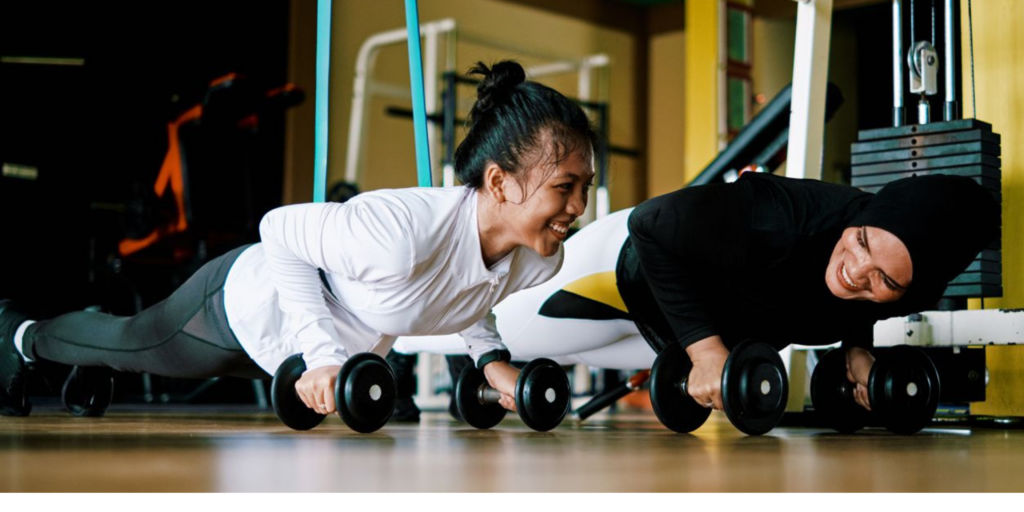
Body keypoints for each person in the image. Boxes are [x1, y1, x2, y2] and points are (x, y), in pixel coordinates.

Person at [0, 60, 597, 418]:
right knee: (128, 342)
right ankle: (19, 336)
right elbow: (278, 230)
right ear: (500, 182)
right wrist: (325, 355)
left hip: (306, 359)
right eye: (565, 187)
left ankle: (93, 352)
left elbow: (465, 290)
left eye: (586, 187)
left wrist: (491, 362)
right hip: (239, 306)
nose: (578, 207)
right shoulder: (401, 233)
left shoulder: (536, 258)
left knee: (124, 349)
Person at [395, 171, 1000, 412]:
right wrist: (709, 352)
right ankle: (370, 340)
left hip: (672, 334)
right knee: (472, 331)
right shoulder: (782, 214)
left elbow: (836, 304)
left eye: (885, 280)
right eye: (862, 241)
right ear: (863, 215)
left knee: (540, 367)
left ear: (912, 290)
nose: (856, 271)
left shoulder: (884, 287)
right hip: (620, 271)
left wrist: (857, 355)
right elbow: (651, 225)